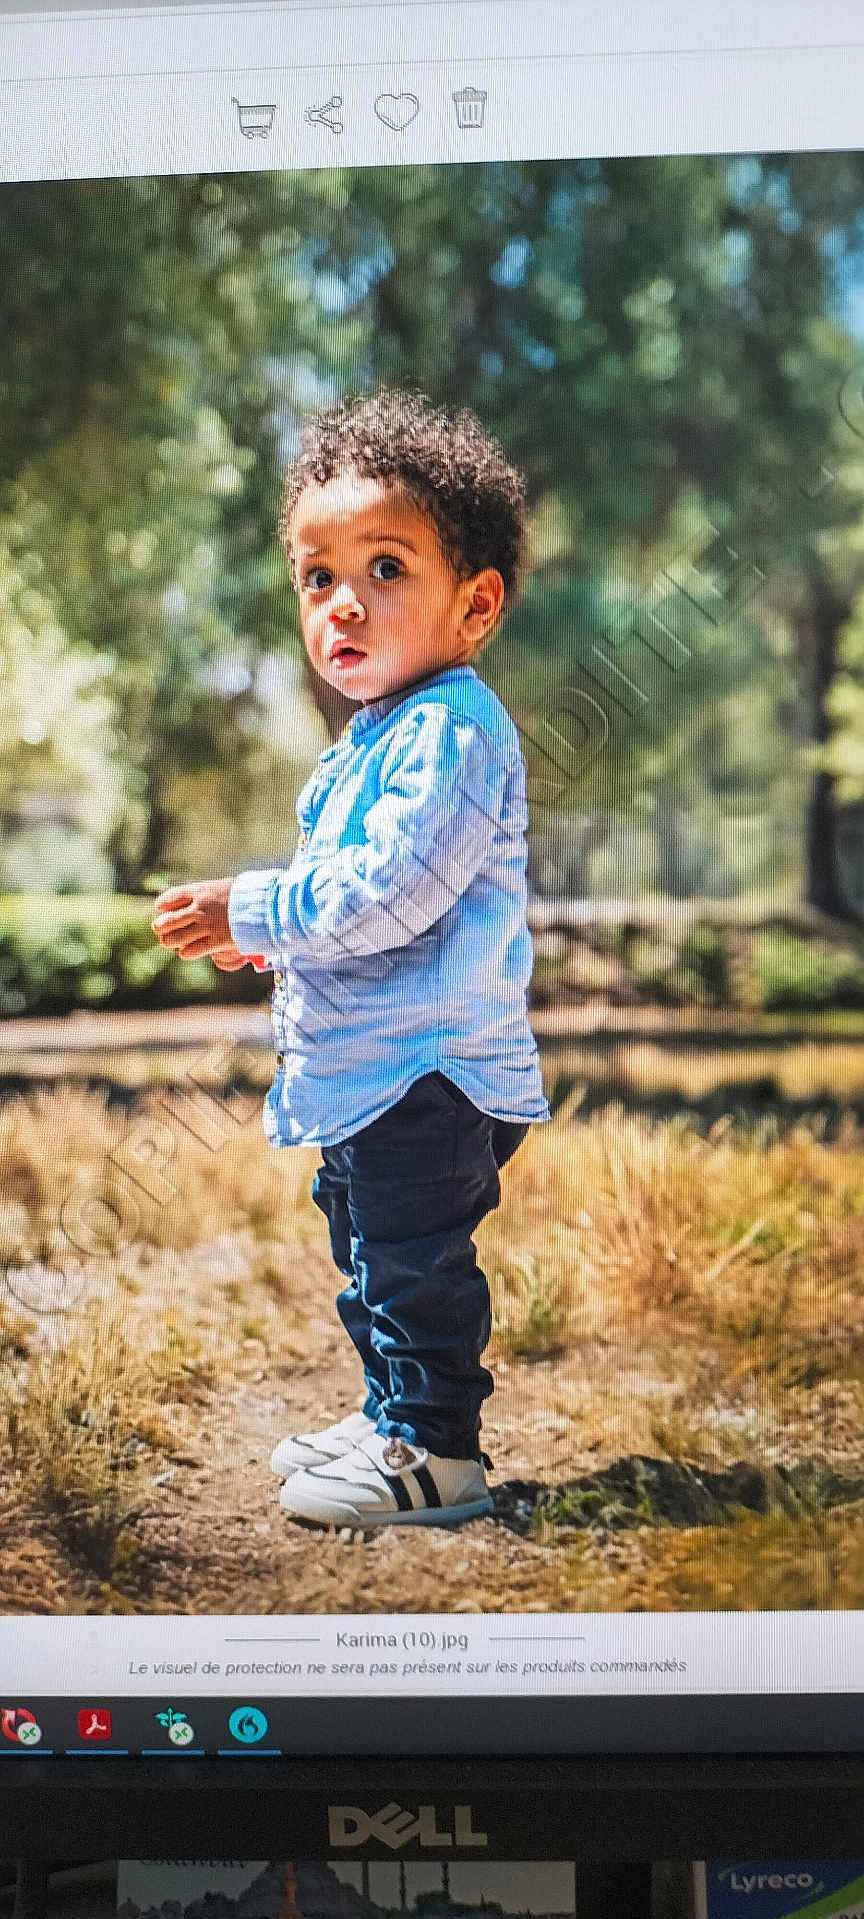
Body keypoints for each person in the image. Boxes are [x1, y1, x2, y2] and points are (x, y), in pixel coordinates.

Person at [152, 388, 550, 1529]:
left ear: (475, 604)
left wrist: (260, 906)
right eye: (316, 576)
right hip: (377, 1070)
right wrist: (275, 943)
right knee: (372, 1252)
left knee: (413, 1263)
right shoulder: (384, 734)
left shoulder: (453, 729)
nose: (343, 604)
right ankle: (391, 1412)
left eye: (385, 568)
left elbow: (392, 890)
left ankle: (439, 1454)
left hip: (427, 1076)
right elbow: (363, 915)